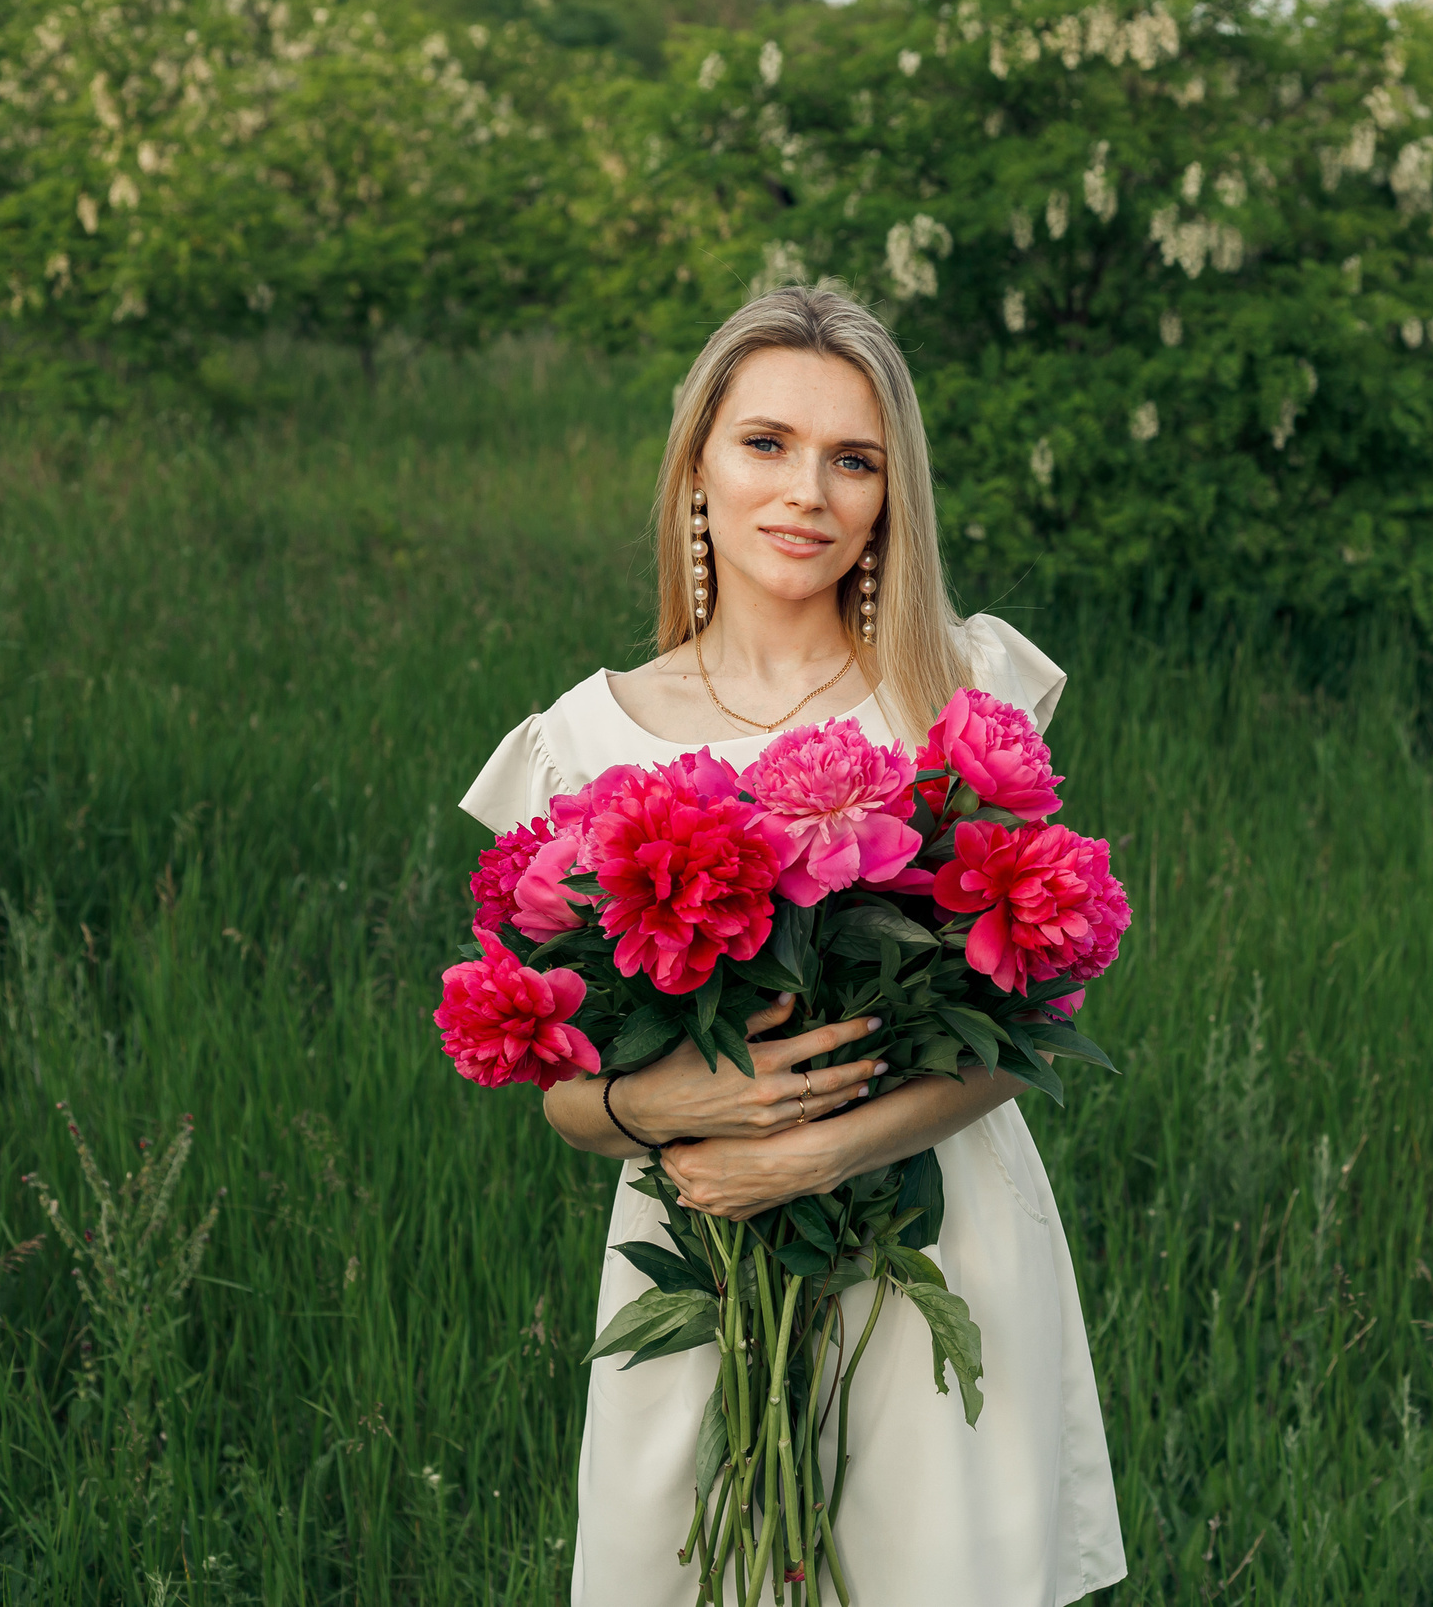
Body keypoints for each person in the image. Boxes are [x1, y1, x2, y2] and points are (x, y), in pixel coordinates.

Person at [460, 285, 1126, 1605]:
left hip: (930, 1232)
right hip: (702, 1236)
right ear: (696, 468)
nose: (806, 492)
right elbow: (561, 1093)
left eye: (853, 459)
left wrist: (818, 1152)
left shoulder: (958, 695)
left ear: (890, 497)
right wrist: (669, 1104)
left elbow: (1027, 1030)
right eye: (766, 443)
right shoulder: (587, 740)